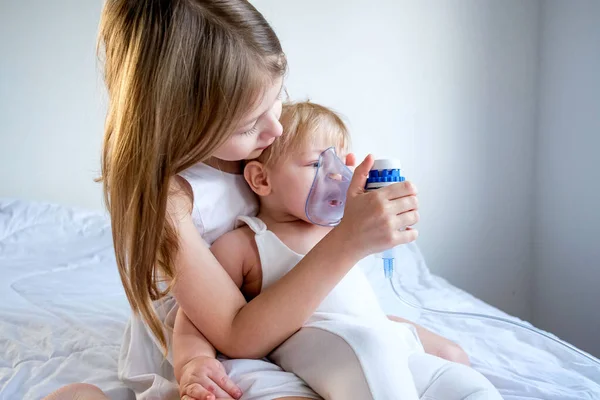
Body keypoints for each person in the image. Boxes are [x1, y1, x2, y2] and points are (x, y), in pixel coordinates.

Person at [44, 1, 466, 399]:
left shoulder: (257, 150)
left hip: (290, 315)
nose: (276, 131)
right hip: (214, 345)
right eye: (250, 124)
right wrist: (349, 242)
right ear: (181, 120)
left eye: (276, 102)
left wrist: (342, 199)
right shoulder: (170, 201)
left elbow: (298, 235)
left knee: (448, 358)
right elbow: (234, 332)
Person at [207, 101, 502, 399]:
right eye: (316, 164)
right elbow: (201, 318)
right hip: (324, 345)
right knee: (371, 349)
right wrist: (194, 360)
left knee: (463, 380)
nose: (336, 175)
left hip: (379, 338)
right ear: (262, 179)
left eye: (340, 162)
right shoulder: (245, 243)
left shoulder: (343, 228)